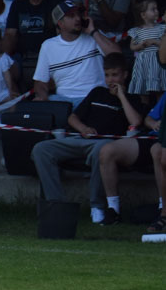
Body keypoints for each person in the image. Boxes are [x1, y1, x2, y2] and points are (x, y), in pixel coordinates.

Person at [32, 54, 143, 224]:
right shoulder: (97, 92)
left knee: (102, 150)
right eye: (107, 75)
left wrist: (121, 96)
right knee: (41, 149)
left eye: (115, 75)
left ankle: (97, 206)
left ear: (125, 75)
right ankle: (57, 204)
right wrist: (83, 128)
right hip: (81, 138)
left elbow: (135, 122)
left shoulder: (133, 99)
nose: (110, 80)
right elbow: (72, 118)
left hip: (106, 144)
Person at [95, 89, 163, 227]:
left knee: (158, 151)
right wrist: (154, 124)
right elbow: (148, 119)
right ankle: (113, 210)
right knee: (107, 151)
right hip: (152, 138)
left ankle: (163, 209)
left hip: (162, 145)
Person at [33, 0, 120, 105]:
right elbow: (40, 82)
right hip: (63, 100)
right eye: (71, 16)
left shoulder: (94, 36)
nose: (78, 18)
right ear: (60, 23)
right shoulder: (48, 46)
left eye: (79, 14)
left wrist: (93, 32)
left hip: (93, 98)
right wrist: (42, 97)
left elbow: (117, 55)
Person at [5, 0, 60, 85]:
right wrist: (3, 60)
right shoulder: (18, 4)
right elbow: (10, 34)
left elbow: (63, 34)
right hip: (23, 57)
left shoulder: (57, 2)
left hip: (51, 57)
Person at [127, 0, 163, 99]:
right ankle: (144, 106)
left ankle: (159, 107)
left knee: (158, 88)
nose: (156, 11)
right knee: (142, 89)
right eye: (153, 9)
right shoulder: (137, 30)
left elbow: (164, 44)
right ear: (143, 15)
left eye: (156, 8)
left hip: (157, 62)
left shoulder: (161, 28)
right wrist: (140, 45)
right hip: (142, 62)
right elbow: (132, 47)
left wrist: (155, 42)